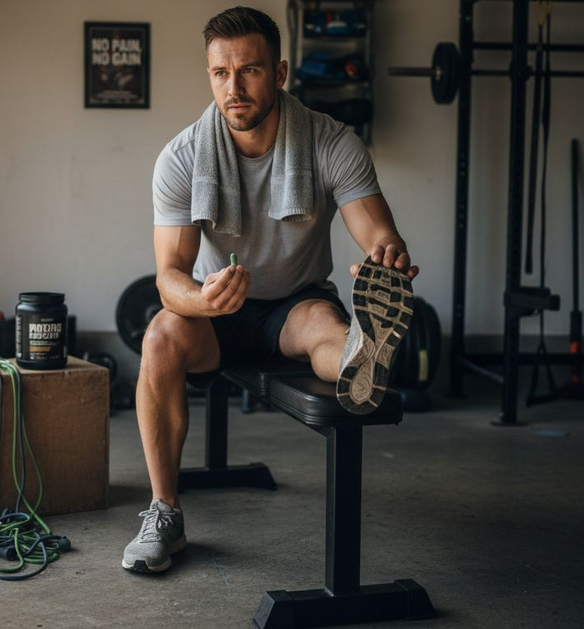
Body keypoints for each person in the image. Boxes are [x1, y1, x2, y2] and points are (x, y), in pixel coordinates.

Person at [122, 6, 420, 574]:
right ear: (209, 75)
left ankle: (369, 350)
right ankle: (164, 512)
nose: (233, 88)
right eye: (220, 74)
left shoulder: (333, 144)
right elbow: (169, 277)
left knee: (326, 332)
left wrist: (386, 258)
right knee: (160, 336)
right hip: (218, 311)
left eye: (250, 71)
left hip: (296, 304)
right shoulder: (182, 157)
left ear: (280, 73)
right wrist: (203, 301)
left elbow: (376, 230)